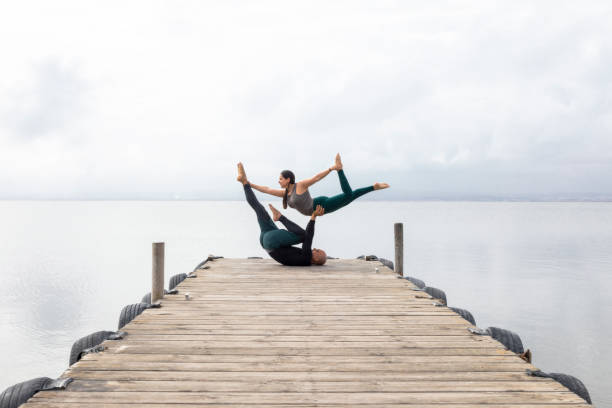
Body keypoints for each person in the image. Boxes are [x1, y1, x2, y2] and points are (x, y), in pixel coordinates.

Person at [237, 163, 327, 266]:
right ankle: (244, 182)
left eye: (318, 251)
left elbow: (309, 237)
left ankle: (280, 217)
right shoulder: (302, 258)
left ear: (315, 259)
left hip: (272, 241)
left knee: (304, 235)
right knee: (259, 209)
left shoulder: (306, 259)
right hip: (268, 242)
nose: (315, 248)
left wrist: (313, 217)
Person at [246, 153, 389, 216]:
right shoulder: (284, 194)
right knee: (349, 196)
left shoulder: (300, 185)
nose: (278, 181)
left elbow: (316, 178)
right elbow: (266, 189)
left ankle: (339, 169)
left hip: (320, 206)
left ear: (288, 179)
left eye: (281, 179)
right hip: (316, 208)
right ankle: (373, 187)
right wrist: (248, 184)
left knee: (348, 196)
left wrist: (331, 169)